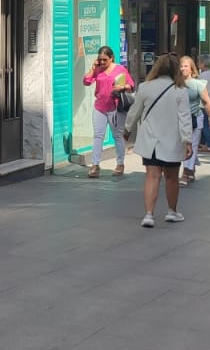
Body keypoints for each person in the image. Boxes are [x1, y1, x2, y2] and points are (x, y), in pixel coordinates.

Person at [122, 52, 193, 228]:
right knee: (171, 178)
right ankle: (172, 211)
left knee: (152, 176)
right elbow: (185, 118)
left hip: (151, 140)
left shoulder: (145, 87)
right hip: (173, 140)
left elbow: (134, 111)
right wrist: (188, 141)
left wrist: (127, 129)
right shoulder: (181, 91)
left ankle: (148, 215)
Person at [79, 45, 134, 179]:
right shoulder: (98, 70)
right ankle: (95, 165)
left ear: (111, 58)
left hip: (115, 107)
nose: (102, 62)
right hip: (100, 107)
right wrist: (93, 68)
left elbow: (131, 85)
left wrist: (123, 87)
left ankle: (120, 164)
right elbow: (86, 81)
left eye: (105, 60)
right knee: (98, 136)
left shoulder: (120, 69)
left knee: (117, 136)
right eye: (100, 60)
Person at [179, 55, 210, 184]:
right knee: (183, 146)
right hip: (180, 120)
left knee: (192, 145)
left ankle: (186, 173)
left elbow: (207, 102)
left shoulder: (198, 84)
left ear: (192, 68)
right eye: (181, 66)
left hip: (195, 119)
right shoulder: (176, 84)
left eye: (186, 66)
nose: (183, 68)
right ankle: (191, 169)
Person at [197, 54, 210, 154]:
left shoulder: (203, 76)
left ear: (203, 64)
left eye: (199, 62)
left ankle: (209, 145)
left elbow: (200, 90)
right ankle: (203, 143)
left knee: (204, 124)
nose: (198, 64)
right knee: (204, 123)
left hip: (204, 103)